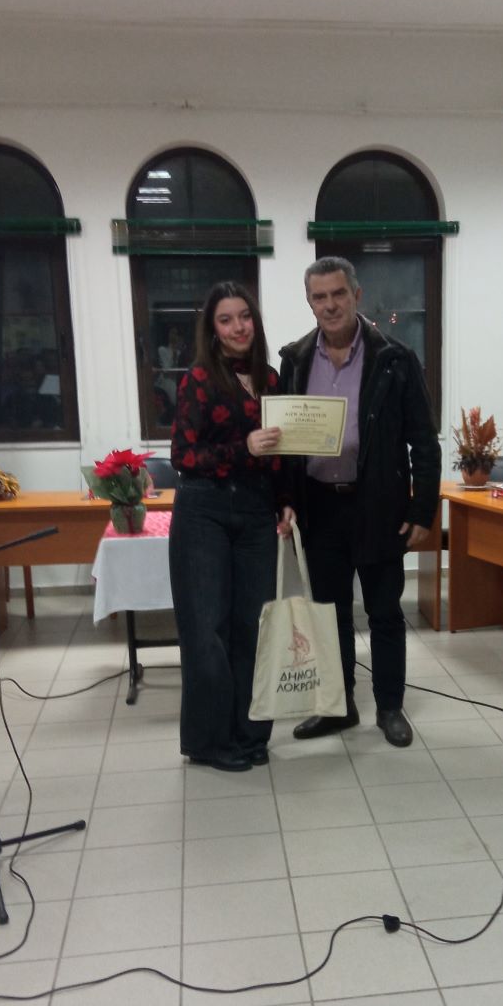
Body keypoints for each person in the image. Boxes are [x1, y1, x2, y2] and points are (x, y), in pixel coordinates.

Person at [277, 256, 441, 747]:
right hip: (318, 507)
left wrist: (422, 509)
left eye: (338, 294)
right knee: (330, 616)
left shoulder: (394, 358)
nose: (330, 305)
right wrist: (286, 499)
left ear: (356, 295)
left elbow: (424, 441)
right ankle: (339, 707)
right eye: (319, 297)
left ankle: (389, 707)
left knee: (385, 611)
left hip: (379, 505)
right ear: (309, 302)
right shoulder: (295, 359)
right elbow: (286, 440)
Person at [169, 281, 294, 772]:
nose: (238, 327)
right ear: (213, 329)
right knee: (207, 631)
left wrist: (285, 501)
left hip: (258, 511)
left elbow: (280, 452)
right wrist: (244, 448)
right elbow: (182, 456)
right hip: (204, 510)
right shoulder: (198, 379)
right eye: (226, 319)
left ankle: (249, 734)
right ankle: (209, 741)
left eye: (244, 316)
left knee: (253, 628)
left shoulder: (270, 378)